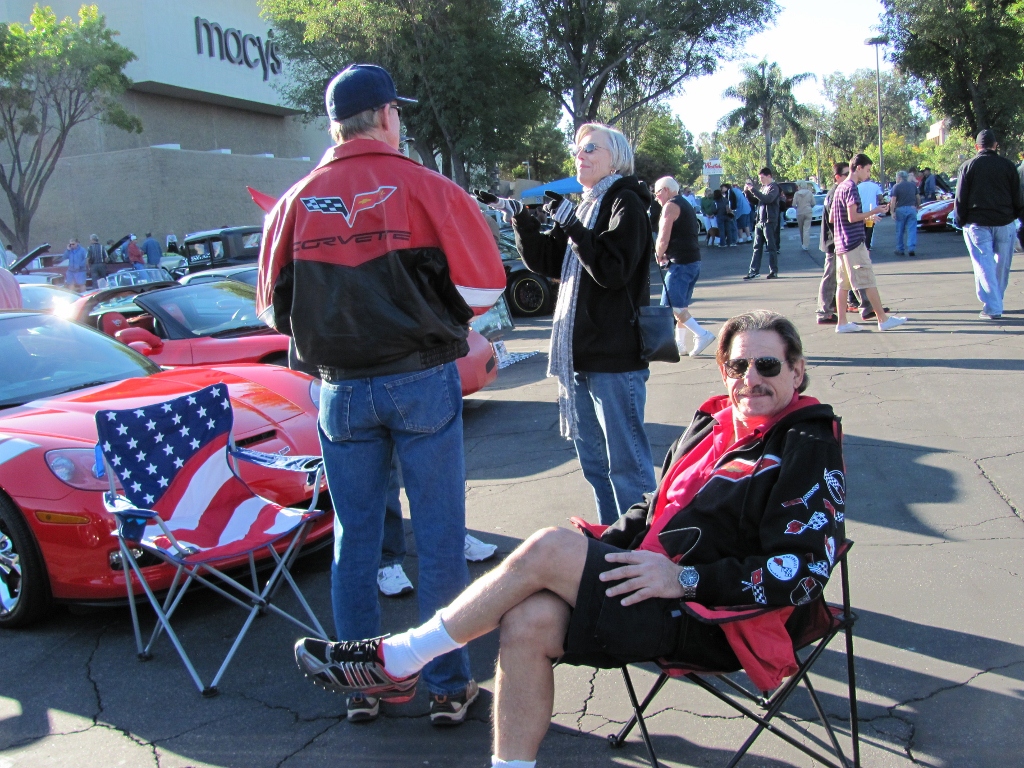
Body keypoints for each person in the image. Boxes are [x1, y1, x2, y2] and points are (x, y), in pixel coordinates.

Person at [294, 310, 846, 768]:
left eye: (767, 364)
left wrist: (683, 579)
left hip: (716, 617)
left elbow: (802, 572)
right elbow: (653, 509)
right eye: (737, 364)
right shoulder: (712, 423)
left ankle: (401, 657)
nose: (750, 377)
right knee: (526, 620)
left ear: (797, 372)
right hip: (648, 586)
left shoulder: (804, 444)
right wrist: (612, 543)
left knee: (550, 547)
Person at [257, 63, 506, 725]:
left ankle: (365, 685)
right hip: (421, 379)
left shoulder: (292, 202)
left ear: (334, 124)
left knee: (354, 539)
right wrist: (431, 319)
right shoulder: (428, 186)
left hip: (338, 389)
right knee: (440, 538)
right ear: (390, 114)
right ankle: (449, 687)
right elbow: (485, 290)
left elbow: (271, 312)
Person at [478, 123, 658, 527]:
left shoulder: (625, 202)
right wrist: (522, 221)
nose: (581, 156)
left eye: (591, 148)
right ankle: (610, 543)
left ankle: (642, 547)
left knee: (626, 467)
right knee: (596, 467)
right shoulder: (587, 204)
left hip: (615, 359)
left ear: (617, 156)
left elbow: (612, 270)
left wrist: (573, 227)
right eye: (577, 149)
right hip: (578, 357)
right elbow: (547, 262)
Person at [833, 154, 908, 333]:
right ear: (858, 168)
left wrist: (867, 216)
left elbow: (834, 217)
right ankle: (883, 319)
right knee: (868, 280)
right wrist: (872, 211)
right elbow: (852, 217)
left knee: (843, 285)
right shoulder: (851, 187)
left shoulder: (840, 188)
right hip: (853, 242)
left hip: (841, 243)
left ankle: (842, 322)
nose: (868, 174)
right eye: (867, 170)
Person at [954, 129, 1024, 320]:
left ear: (977, 147)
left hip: (977, 223)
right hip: (1004, 221)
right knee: (1002, 265)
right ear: (995, 146)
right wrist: (1018, 216)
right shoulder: (1008, 166)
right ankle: (996, 300)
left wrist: (960, 220)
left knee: (983, 263)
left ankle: (993, 305)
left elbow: (960, 197)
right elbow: (1017, 196)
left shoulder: (968, 166)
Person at [653, 176, 716, 357]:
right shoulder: (685, 203)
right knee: (681, 306)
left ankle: (702, 334)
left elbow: (663, 237)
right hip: (692, 260)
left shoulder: (670, 206)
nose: (657, 197)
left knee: (671, 306)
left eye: (657, 193)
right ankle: (680, 344)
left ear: (665, 190)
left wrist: (658, 254)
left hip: (680, 263)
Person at [744, 168, 781, 279]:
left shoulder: (774, 187)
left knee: (771, 247)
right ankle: (754, 271)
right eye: (760, 178)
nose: (761, 180)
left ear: (769, 176)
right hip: (760, 221)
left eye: (762, 177)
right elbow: (757, 201)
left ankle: (773, 271)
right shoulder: (764, 188)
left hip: (769, 221)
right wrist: (748, 193)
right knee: (756, 247)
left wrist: (754, 190)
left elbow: (768, 199)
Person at [889, 171, 920, 257]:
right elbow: (918, 197)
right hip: (911, 208)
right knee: (912, 229)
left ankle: (900, 249)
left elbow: (893, 200)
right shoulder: (913, 185)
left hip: (900, 209)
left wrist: (892, 211)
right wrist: (917, 206)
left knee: (900, 230)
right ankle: (911, 248)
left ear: (899, 177)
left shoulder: (896, 187)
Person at [856, 174, 883, 250]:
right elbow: (880, 196)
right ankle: (867, 245)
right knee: (869, 228)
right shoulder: (875, 186)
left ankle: (862, 244)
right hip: (872, 210)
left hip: (862, 211)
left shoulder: (858, 186)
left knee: (862, 228)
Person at [792, 182, 815, 251]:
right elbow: (813, 203)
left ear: (799, 186)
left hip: (799, 212)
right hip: (808, 211)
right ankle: (806, 244)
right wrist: (810, 207)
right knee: (806, 229)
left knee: (801, 229)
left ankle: (803, 243)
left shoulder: (796, 194)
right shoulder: (810, 193)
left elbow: (793, 204)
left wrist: (797, 208)